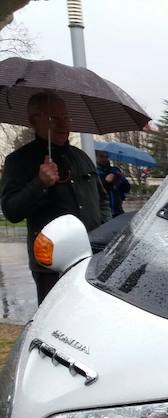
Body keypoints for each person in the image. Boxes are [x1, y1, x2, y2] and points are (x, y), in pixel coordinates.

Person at [0, 92, 110, 303]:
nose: (62, 124)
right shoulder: (19, 161)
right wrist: (39, 183)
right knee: (58, 324)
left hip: (92, 257)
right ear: (34, 120)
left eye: (66, 117)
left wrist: (102, 233)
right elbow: (11, 211)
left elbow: (102, 200)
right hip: (51, 265)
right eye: (53, 118)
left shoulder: (81, 157)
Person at [95, 150, 130, 217]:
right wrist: (105, 181)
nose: (104, 159)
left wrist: (119, 179)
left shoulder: (115, 170)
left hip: (117, 210)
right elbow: (94, 189)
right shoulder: (95, 172)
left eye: (106, 156)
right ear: (96, 157)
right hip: (102, 211)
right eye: (101, 156)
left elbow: (127, 188)